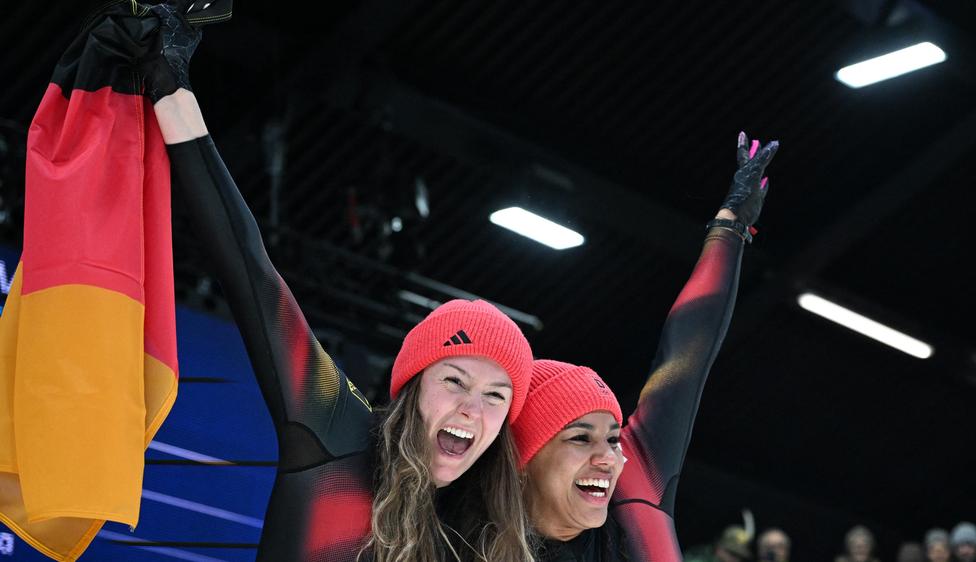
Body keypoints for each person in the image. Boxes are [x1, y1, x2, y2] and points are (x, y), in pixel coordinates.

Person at [141, 4, 534, 561]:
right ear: (412, 384)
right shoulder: (336, 429)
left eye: (497, 395)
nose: (473, 408)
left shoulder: (484, 541)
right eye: (455, 380)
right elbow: (249, 268)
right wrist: (169, 86)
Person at [510, 133, 778, 561]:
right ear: (526, 455)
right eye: (580, 439)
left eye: (613, 439)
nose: (608, 458)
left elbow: (686, 354)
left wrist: (730, 228)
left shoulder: (636, 480)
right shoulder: (465, 532)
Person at [685, 526, 754, 562]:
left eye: (740, 558)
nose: (736, 560)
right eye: (732, 554)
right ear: (719, 549)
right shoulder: (698, 559)